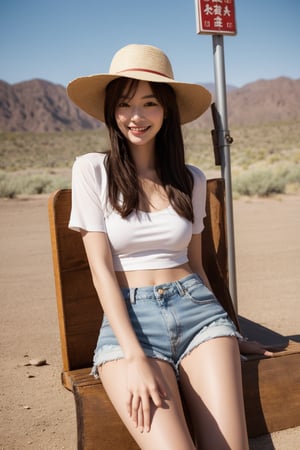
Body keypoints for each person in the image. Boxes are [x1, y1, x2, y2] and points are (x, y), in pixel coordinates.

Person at [67, 44, 272, 450]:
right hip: (131, 325)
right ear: (112, 111)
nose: (137, 116)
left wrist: (229, 329)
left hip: (199, 316)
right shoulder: (92, 170)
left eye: (149, 104)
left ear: (167, 111)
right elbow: (101, 271)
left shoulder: (190, 179)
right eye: (125, 104)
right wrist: (135, 358)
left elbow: (196, 266)